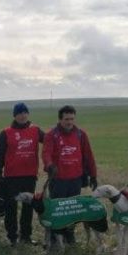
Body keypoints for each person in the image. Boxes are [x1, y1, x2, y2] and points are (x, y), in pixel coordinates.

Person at [43, 105, 98, 245]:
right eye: (66, 119)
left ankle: (69, 235)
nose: (69, 122)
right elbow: (46, 153)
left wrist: (93, 175)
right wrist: (50, 165)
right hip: (58, 179)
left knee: (72, 209)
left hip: (75, 179)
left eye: (72, 119)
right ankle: (55, 237)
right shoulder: (52, 135)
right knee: (57, 210)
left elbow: (88, 156)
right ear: (60, 119)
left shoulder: (80, 134)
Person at [0, 102, 45, 246]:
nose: (22, 116)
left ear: (28, 114)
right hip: (11, 177)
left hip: (29, 176)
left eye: (25, 112)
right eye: (19, 113)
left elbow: (49, 141)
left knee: (28, 208)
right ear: (14, 115)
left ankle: (26, 236)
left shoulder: (35, 130)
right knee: (11, 208)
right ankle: (12, 237)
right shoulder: (6, 132)